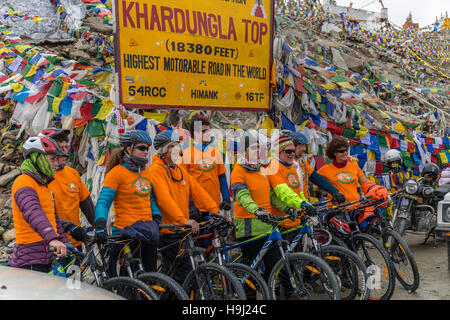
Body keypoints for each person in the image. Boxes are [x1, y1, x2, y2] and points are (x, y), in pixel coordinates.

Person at [149, 129, 220, 284]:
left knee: (177, 277)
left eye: (178, 145)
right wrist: (183, 220)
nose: (178, 149)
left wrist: (215, 211)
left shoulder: (179, 168)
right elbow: (163, 199)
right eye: (173, 146)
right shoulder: (156, 170)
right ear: (163, 150)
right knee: (184, 276)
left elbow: (197, 191)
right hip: (169, 230)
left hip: (182, 229)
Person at [230, 131, 298, 283]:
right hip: (249, 226)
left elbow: (272, 196)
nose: (258, 151)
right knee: (251, 271)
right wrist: (256, 209)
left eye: (259, 148)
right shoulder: (238, 170)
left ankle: (269, 292)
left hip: (267, 225)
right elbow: (242, 196)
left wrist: (288, 208)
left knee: (274, 265)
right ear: (244, 151)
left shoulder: (262, 169)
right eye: (254, 147)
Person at [94, 129, 161, 274]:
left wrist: (156, 216)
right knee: (130, 280)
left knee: (151, 276)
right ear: (128, 148)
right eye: (142, 148)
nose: (146, 152)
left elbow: (150, 197)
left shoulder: (146, 171)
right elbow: (103, 202)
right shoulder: (116, 173)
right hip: (126, 233)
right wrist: (100, 224)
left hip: (147, 231)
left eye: (147, 148)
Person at [11, 136, 69, 272]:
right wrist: (52, 239)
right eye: (52, 159)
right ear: (37, 158)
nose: (57, 164)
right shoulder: (23, 182)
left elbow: (53, 219)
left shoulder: (45, 185)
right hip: (30, 259)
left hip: (46, 254)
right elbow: (33, 212)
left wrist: (65, 241)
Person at [265, 134, 345, 229]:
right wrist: (302, 203)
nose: (304, 149)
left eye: (304, 146)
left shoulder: (300, 163)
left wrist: (334, 191)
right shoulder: (275, 166)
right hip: (284, 218)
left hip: (300, 214)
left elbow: (316, 178)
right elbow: (283, 191)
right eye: (301, 146)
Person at [38, 128, 95, 249]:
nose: (65, 152)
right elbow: (39, 215)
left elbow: (87, 205)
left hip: (75, 242)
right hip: (50, 245)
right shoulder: (39, 178)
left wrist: (100, 228)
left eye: (66, 147)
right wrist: (69, 227)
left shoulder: (72, 174)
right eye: (60, 148)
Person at [317, 135, 388, 230]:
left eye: (346, 150)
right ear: (334, 153)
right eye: (342, 151)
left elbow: (366, 183)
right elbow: (311, 181)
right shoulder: (325, 169)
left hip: (356, 209)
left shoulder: (354, 166)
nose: (345, 153)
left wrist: (377, 191)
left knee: (357, 239)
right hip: (337, 211)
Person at [180, 114, 231, 222]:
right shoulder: (185, 154)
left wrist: (226, 198)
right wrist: (189, 203)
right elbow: (183, 183)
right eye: (203, 131)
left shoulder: (216, 153)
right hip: (195, 208)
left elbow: (221, 177)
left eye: (208, 131)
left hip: (213, 206)